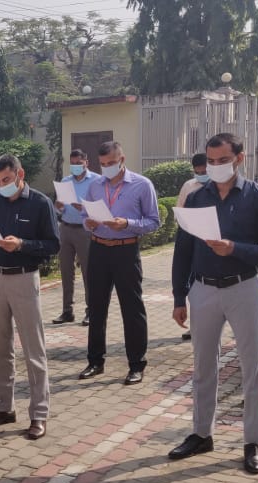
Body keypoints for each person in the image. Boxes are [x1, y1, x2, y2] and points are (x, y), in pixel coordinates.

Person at [169, 134, 258, 475]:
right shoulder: (196, 198)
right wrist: (179, 296)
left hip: (244, 286)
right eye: (211, 161)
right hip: (203, 288)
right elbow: (183, 249)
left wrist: (234, 248)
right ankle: (201, 434)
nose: (216, 167)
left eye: (223, 160)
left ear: (239, 158)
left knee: (253, 365)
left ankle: (254, 441)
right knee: (203, 365)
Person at [0, 155, 60, 439]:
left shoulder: (40, 203)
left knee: (33, 350)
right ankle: (4, 407)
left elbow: (53, 245)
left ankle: (39, 414)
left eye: (7, 180)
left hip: (24, 278)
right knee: (1, 348)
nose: (2, 186)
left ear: (20, 174)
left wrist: (22, 244)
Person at [79, 141, 160, 385]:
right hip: (98, 249)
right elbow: (85, 215)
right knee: (96, 307)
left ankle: (136, 364)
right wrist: (88, 223)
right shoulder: (95, 185)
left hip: (126, 250)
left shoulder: (142, 185)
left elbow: (154, 222)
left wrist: (127, 224)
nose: (107, 168)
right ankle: (95, 361)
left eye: (111, 163)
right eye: (103, 164)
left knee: (132, 309)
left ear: (122, 159)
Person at [53, 149, 102, 326]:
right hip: (66, 228)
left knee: (89, 272)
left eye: (78, 163)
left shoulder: (97, 181)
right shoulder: (65, 181)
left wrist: (84, 209)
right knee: (66, 271)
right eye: (72, 163)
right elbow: (60, 208)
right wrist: (58, 206)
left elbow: (101, 207)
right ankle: (67, 311)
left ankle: (91, 311)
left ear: (86, 163)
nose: (75, 166)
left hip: (85, 231)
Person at [176, 153, 210, 341]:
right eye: (198, 172)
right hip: (193, 243)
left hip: (216, 244)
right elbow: (180, 212)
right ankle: (194, 326)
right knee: (193, 285)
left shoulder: (221, 187)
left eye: (205, 172)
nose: (201, 175)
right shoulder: (189, 187)